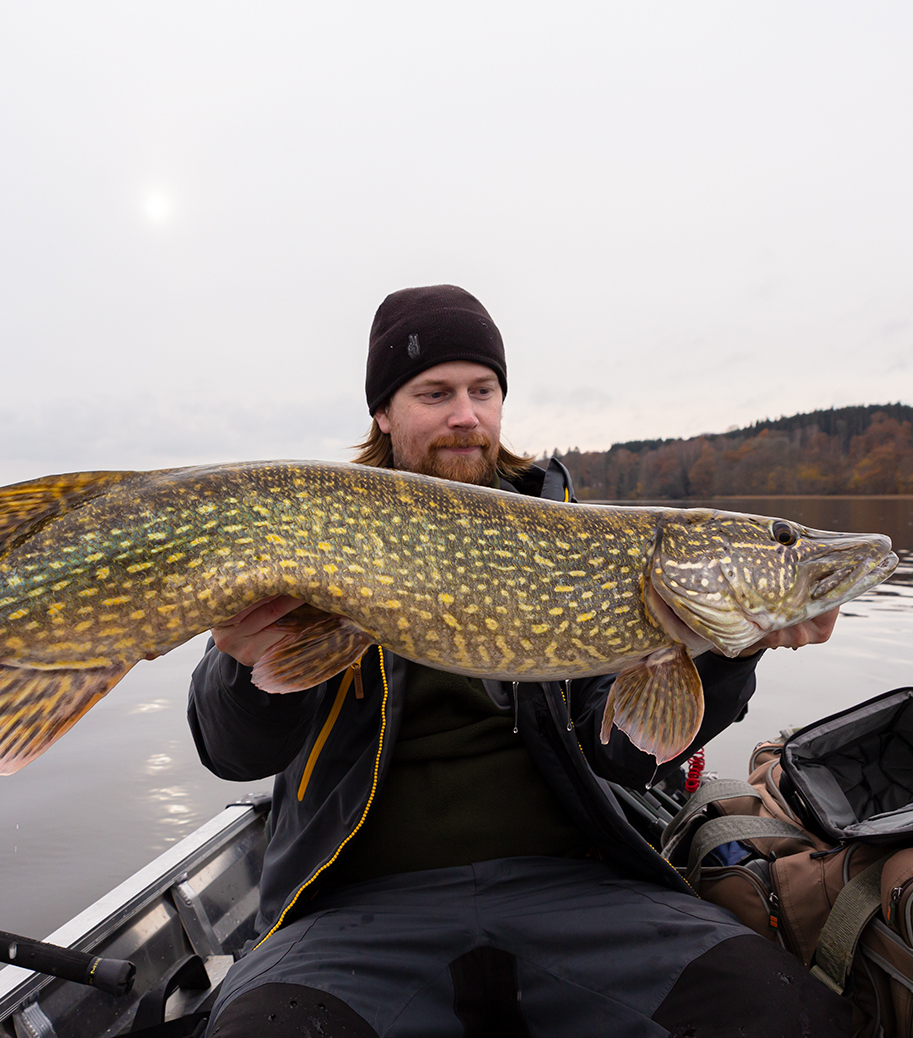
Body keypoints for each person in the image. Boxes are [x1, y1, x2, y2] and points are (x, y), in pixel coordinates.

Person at [188, 285, 849, 1037]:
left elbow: (628, 758)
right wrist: (241, 663)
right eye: (434, 393)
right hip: (353, 913)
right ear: (383, 412)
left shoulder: (578, 545)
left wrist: (732, 648)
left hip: (579, 894)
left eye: (483, 390)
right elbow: (231, 752)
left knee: (778, 1012)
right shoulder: (318, 529)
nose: (465, 414)